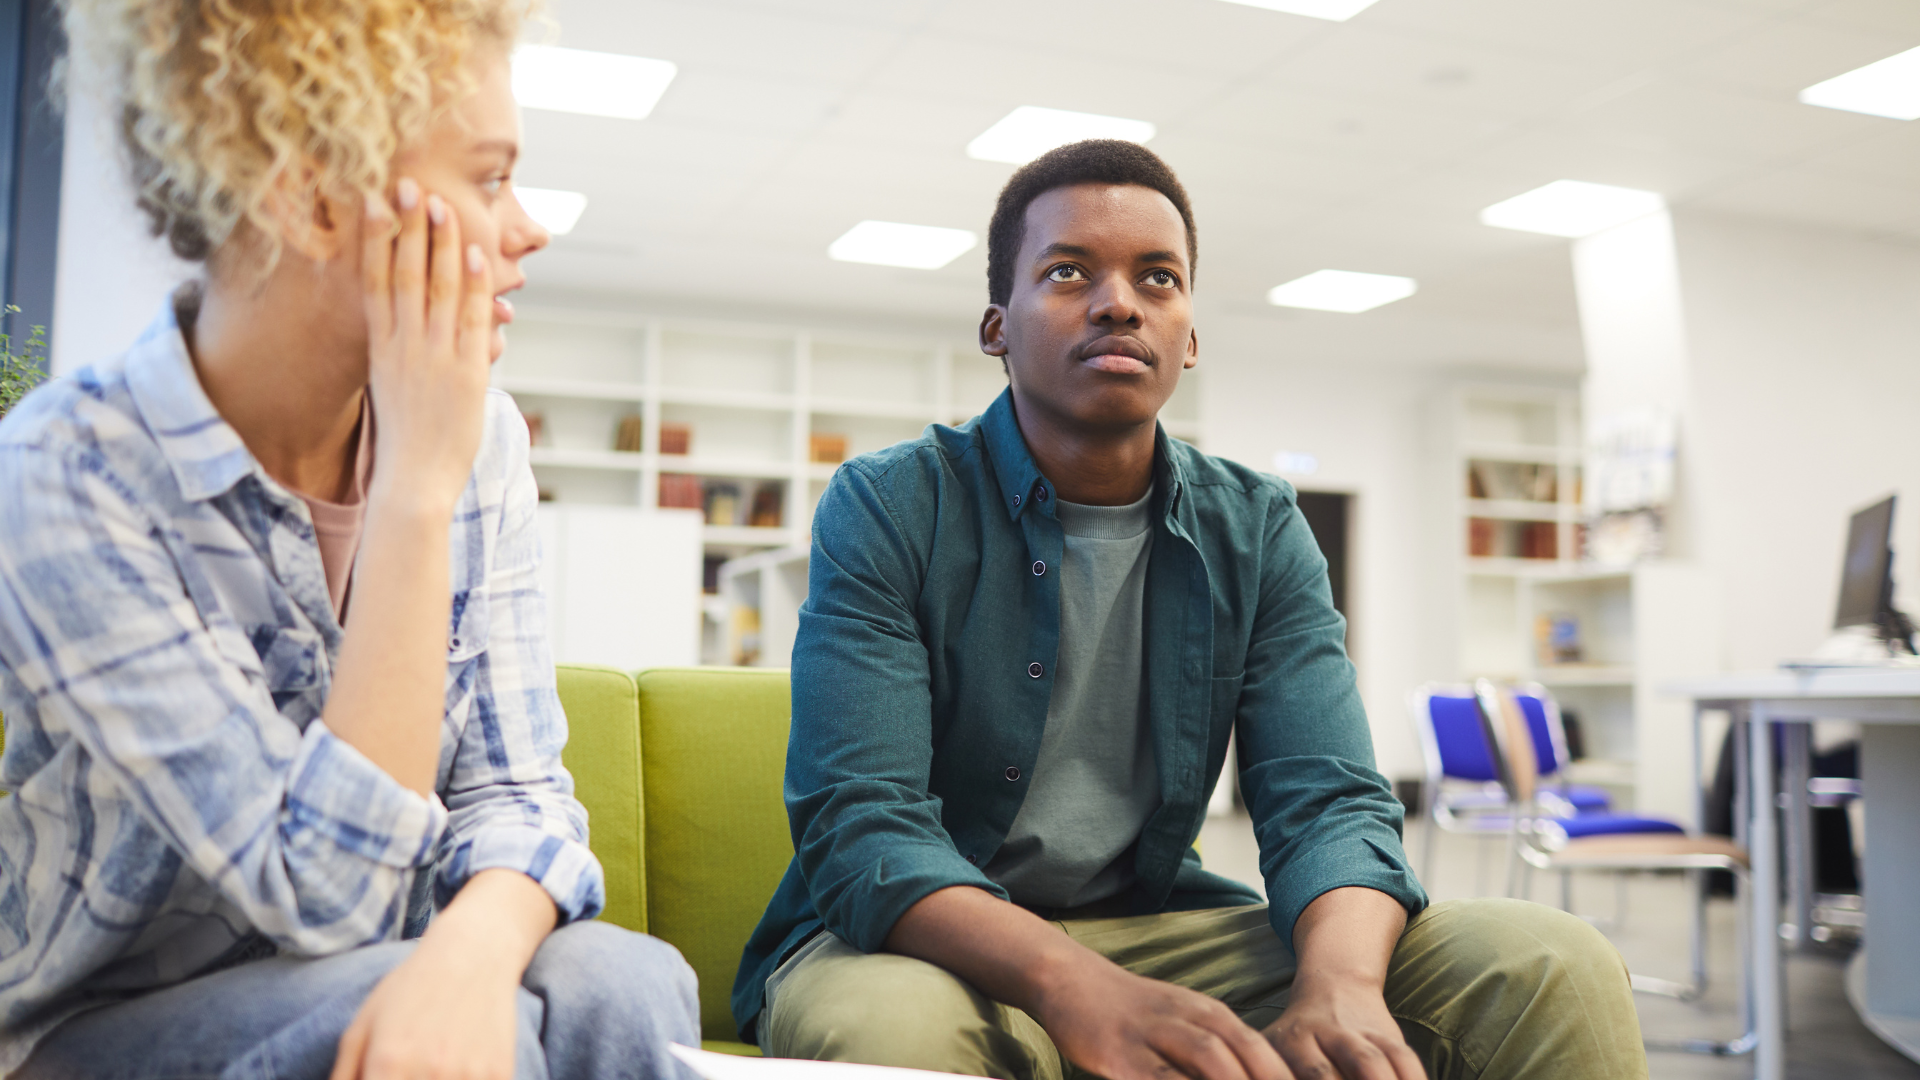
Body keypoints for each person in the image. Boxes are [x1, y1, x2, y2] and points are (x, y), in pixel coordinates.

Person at [734, 140, 1649, 1080]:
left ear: (1191, 336)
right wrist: (1067, 980)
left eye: (1157, 278)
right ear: (996, 327)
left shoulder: (1258, 527)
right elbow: (865, 827)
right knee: (894, 1036)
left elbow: (1326, 799)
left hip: (1162, 927)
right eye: (1068, 272)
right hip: (922, 945)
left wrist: (1338, 985)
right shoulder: (890, 505)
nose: (1120, 301)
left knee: (1548, 963)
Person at [0, 2, 697, 1077]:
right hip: (96, 1028)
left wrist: (464, 958)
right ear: (312, 196)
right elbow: (335, 899)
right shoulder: (65, 475)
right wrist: (417, 486)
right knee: (455, 1013)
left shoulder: (487, 438)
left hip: (372, 963)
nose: (526, 229)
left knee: (629, 979)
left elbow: (520, 797)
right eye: (488, 177)